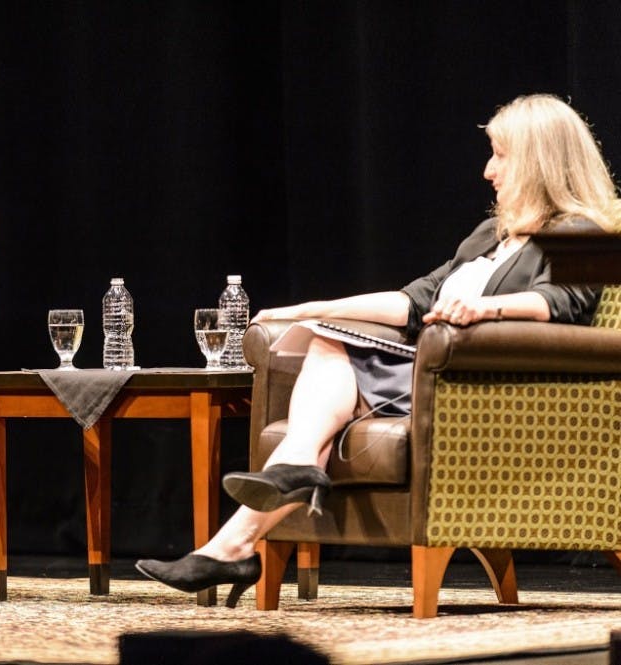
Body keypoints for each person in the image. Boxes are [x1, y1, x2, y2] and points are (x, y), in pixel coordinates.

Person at [136, 93, 621, 608]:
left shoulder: (582, 231)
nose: (487, 171)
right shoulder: (490, 235)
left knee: (329, 360)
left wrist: (486, 312)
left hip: (486, 393)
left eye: (500, 155)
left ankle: (247, 527)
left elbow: (559, 304)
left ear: (538, 159)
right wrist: (304, 309)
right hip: (436, 374)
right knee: (328, 335)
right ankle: (251, 521)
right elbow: (411, 301)